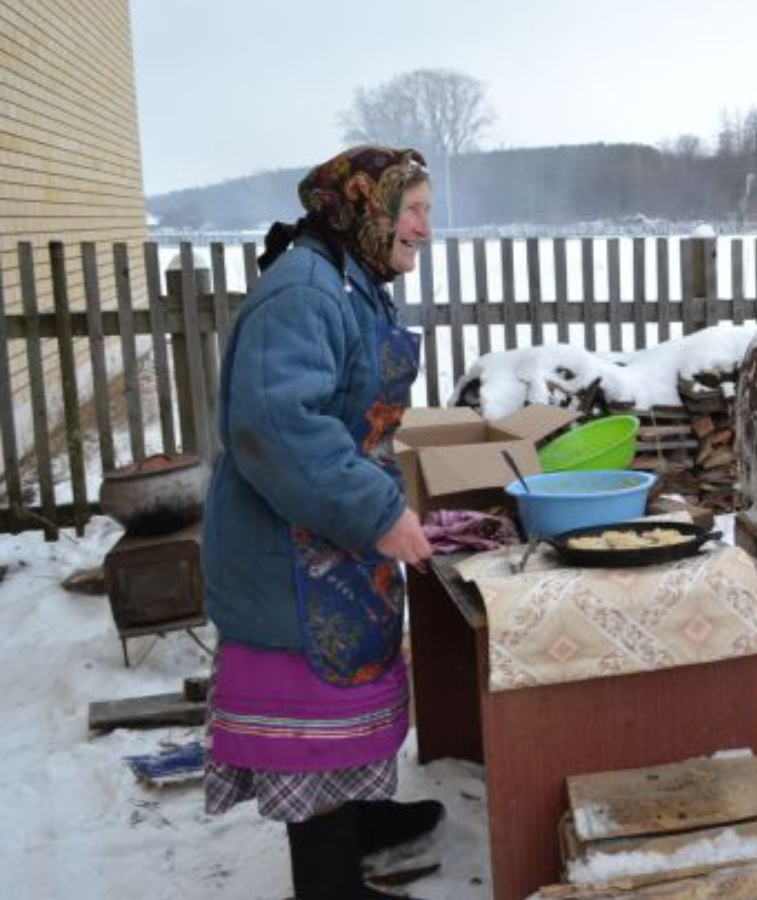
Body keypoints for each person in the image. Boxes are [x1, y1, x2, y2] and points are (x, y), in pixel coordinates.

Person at [201, 145, 441, 899]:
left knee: (353, 699)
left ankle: (359, 823)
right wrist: (376, 511)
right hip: (290, 553)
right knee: (315, 722)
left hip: (332, 538)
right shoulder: (303, 292)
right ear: (366, 207)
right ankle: (328, 882)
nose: (426, 230)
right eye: (414, 211)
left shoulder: (352, 279)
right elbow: (277, 429)